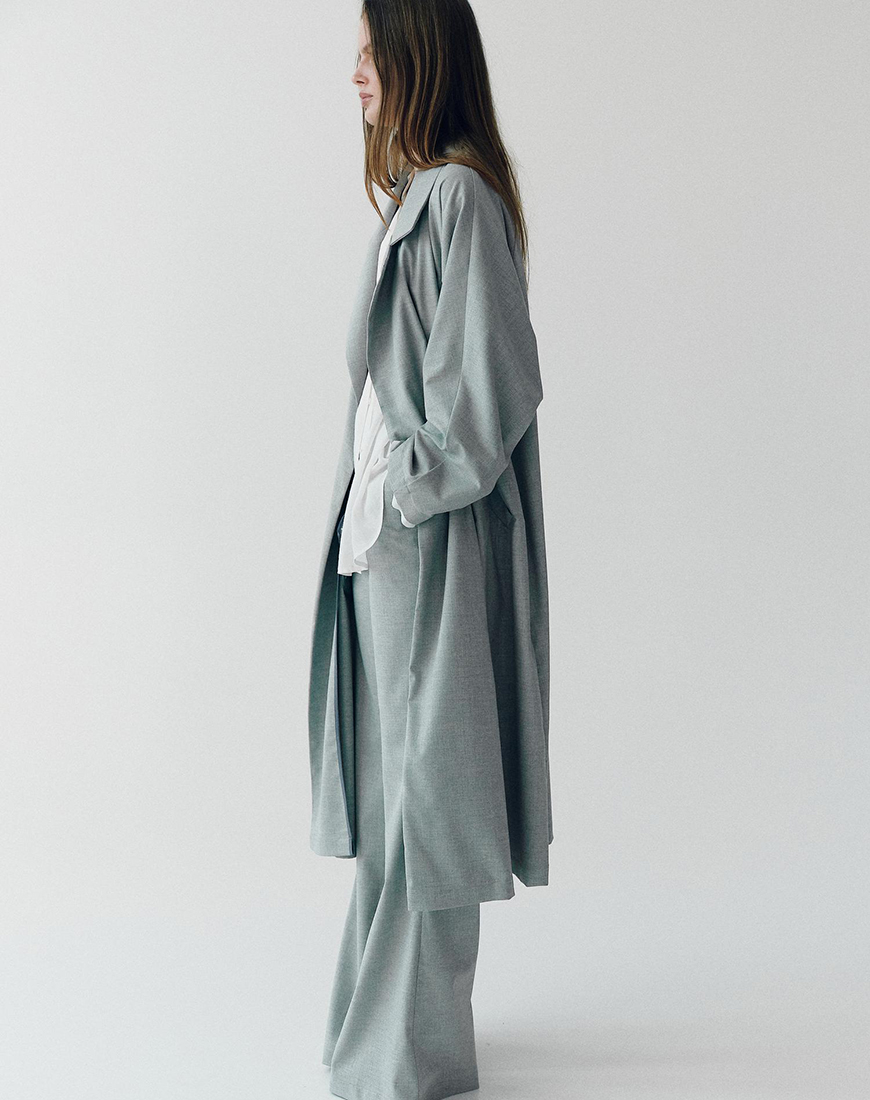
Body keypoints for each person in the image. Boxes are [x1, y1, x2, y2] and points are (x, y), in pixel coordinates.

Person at [307, 2, 552, 1097]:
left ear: (419, 57)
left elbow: (488, 398)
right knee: (395, 798)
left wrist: (402, 493)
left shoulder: (458, 199)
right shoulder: (420, 198)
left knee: (428, 803)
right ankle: (383, 1035)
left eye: (372, 52)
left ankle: (409, 1056)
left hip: (427, 550)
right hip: (387, 552)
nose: (356, 73)